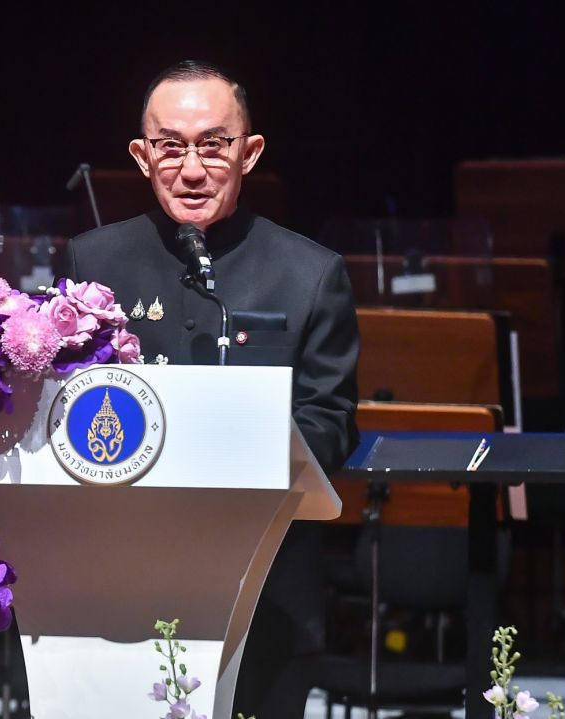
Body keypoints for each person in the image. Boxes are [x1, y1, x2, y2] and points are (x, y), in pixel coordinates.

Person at [59, 60, 360, 718]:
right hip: (120, 584)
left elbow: (330, 421)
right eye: (170, 146)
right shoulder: (94, 261)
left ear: (249, 153)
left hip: (267, 590)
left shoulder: (310, 274)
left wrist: (234, 464)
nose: (191, 169)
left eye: (213, 145)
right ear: (141, 156)